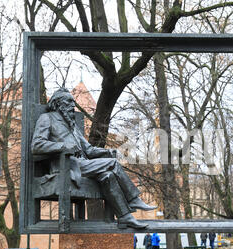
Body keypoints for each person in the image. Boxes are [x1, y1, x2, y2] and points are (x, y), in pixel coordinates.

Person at [31, 88, 157, 229]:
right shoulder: (47, 118)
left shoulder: (71, 126)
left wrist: (108, 151)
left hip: (82, 165)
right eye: (69, 102)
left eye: (73, 102)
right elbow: (36, 145)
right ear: (58, 103)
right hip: (65, 166)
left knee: (107, 175)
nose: (73, 105)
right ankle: (133, 199)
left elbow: (89, 150)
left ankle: (125, 217)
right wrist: (64, 146)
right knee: (113, 164)